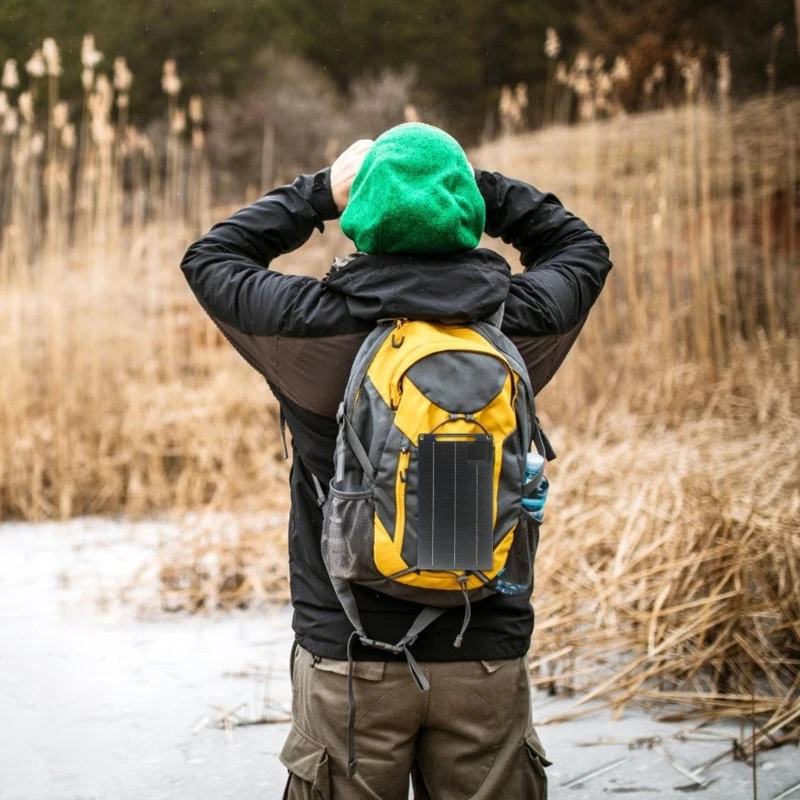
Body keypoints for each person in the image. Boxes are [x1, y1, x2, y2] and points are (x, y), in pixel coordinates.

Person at [181, 122, 612, 800]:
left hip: (351, 658)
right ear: (463, 208)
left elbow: (211, 258)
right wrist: (483, 189)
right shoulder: (520, 321)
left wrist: (319, 192)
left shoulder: (309, 324)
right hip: (484, 652)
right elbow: (581, 247)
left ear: (362, 215)